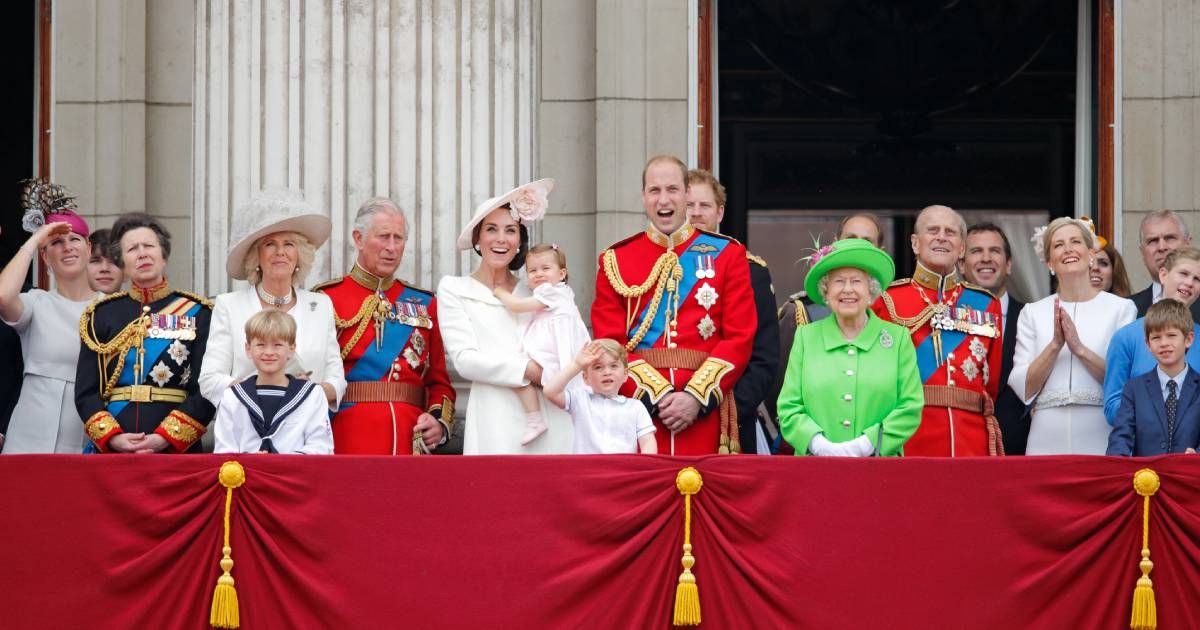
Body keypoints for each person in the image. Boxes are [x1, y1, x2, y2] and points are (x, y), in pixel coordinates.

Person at [592, 155, 755, 455]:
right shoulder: (616, 260)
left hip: (704, 411)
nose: (663, 199)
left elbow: (739, 338)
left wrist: (695, 397)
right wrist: (657, 396)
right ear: (643, 197)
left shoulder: (728, 254)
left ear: (687, 194)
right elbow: (610, 341)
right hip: (638, 412)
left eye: (672, 189)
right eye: (654, 190)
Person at [439, 179, 573, 454]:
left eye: (510, 230)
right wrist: (528, 371)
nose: (501, 239)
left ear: (519, 241)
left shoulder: (537, 289)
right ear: (478, 238)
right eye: (491, 229)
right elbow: (465, 360)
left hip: (551, 414)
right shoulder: (455, 289)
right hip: (494, 415)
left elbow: (567, 335)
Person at [315, 197, 454, 455]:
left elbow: (439, 382)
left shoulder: (425, 302)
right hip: (346, 435)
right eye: (383, 237)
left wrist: (438, 421)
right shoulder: (326, 299)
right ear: (358, 238)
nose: (392, 247)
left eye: (398, 238)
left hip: (409, 438)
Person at [75, 213, 214, 453]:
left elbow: (206, 388)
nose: (142, 254)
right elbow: (87, 392)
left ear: (164, 256)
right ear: (123, 264)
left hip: (176, 450)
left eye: (149, 246)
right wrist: (113, 437)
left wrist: (166, 437)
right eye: (132, 249)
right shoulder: (101, 314)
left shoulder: (198, 312)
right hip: (115, 447)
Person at [872, 205, 1005, 456]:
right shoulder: (888, 300)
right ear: (914, 243)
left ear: (962, 247)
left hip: (971, 440)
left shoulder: (987, 304)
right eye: (932, 230)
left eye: (950, 232)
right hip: (910, 436)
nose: (942, 237)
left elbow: (991, 384)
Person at [199, 190, 345, 414]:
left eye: (289, 244)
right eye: (270, 244)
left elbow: (337, 381)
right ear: (256, 255)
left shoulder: (321, 305)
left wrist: (305, 393)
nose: (280, 252)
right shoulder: (229, 305)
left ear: (299, 255)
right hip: (245, 428)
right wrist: (259, 393)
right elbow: (210, 380)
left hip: (305, 428)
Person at [777, 238, 922, 456]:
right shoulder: (806, 337)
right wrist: (818, 445)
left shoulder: (898, 339)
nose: (847, 290)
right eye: (838, 282)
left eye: (856, 281)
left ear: (870, 289)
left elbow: (910, 407)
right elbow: (788, 407)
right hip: (815, 468)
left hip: (880, 470)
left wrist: (868, 444)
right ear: (826, 291)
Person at [1008, 217, 1136, 455]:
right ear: (1049, 262)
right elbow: (1024, 387)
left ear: (1090, 255)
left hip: (1100, 428)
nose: (1067, 249)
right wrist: (1055, 345)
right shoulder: (1032, 312)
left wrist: (1079, 349)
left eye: (1075, 242)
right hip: (1046, 431)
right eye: (1058, 245)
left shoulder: (1121, 309)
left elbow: (1125, 381)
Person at [686, 168, 779, 454]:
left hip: (731, 423)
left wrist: (722, 410)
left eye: (705, 206)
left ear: (720, 213)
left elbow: (764, 358)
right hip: (667, 417)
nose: (696, 213)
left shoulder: (751, 271)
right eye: (689, 205)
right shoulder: (657, 270)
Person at [0, 182, 98, 454]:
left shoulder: (109, 309)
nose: (67, 247)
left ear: (89, 248)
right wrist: (34, 240)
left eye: (74, 239)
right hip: (28, 437)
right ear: (45, 256)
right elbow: (2, 296)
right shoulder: (37, 303)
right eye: (56, 242)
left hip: (83, 436)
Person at [493, 242, 591, 445]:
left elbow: (518, 306)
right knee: (518, 373)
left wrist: (500, 292)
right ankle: (535, 419)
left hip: (554, 352)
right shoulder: (559, 292)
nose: (538, 274)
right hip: (552, 348)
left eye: (545, 269)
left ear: (562, 273)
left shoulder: (552, 292)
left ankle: (534, 418)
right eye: (532, 271)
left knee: (517, 370)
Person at [213, 310, 334, 454]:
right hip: (246, 475)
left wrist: (276, 464)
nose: (269, 352)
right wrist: (253, 463)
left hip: (295, 475)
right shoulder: (232, 396)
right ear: (248, 349)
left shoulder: (312, 395)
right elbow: (224, 451)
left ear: (291, 349)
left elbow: (321, 448)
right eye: (261, 344)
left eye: (277, 345)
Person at [1103, 247, 1200, 423]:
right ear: (1163, 275)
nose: (1189, 282)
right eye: (1183, 273)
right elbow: (1112, 408)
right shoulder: (1126, 337)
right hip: (1141, 448)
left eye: (1197, 279)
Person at [962, 223, 1030, 454]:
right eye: (976, 251)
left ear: (1009, 264)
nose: (986, 258)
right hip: (963, 447)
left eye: (995, 251)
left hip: (1019, 450)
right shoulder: (945, 320)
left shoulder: (1032, 317)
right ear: (961, 264)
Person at [1106, 299, 1200, 456]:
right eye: (1156, 337)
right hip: (1144, 477)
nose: (1164, 343)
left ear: (1188, 339)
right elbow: (1120, 438)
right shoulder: (1134, 389)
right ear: (1148, 344)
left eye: (1171, 335)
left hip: (1190, 477)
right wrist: (1117, 469)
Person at [542, 339, 657, 454]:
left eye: (613, 366)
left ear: (625, 375)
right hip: (588, 469)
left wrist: (644, 469)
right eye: (598, 367)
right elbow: (550, 391)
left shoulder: (636, 407)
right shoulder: (580, 400)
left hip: (623, 470)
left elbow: (648, 442)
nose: (607, 372)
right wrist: (577, 365)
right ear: (585, 378)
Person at [1130, 209, 1200, 321]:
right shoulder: (1128, 309)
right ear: (1142, 252)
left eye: (1170, 238)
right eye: (1153, 241)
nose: (1162, 247)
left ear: (1187, 244)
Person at [87, 228, 124, 294]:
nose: (104, 268)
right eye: (95, 261)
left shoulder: (141, 304)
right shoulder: (63, 303)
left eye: (113, 261)